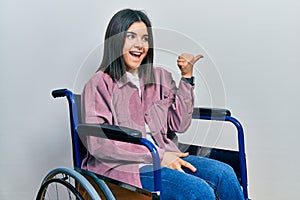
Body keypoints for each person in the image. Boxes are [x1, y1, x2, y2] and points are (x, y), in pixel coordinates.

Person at [81, 8, 244, 199]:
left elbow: (179, 124)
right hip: (127, 167)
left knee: (224, 174)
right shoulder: (100, 83)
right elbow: (100, 145)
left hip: (167, 154)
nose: (140, 45)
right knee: (197, 191)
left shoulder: (160, 77)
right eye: (131, 36)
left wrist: (187, 78)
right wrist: (156, 156)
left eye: (145, 38)